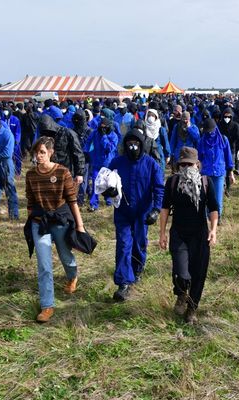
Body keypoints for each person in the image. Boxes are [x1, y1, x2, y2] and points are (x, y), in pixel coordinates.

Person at [24, 136, 86, 323]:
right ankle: (47, 305)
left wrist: (80, 225)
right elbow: (30, 200)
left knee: (65, 254)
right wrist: (31, 220)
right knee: (44, 265)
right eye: (37, 152)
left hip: (59, 219)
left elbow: (72, 200)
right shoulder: (31, 175)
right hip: (39, 222)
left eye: (42, 152)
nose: (39, 156)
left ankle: (72, 276)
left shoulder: (62, 172)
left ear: (51, 153)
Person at [159, 147, 218, 325]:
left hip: (200, 235)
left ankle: (192, 308)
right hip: (179, 233)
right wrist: (162, 233)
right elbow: (165, 208)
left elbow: (214, 208)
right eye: (182, 164)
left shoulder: (206, 183)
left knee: (198, 274)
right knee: (181, 273)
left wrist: (213, 230)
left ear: (197, 165)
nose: (186, 168)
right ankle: (181, 293)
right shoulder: (172, 183)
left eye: (189, 164)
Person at [108, 129, 164, 301]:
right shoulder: (117, 163)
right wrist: (108, 192)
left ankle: (137, 268)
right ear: (125, 145)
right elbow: (106, 182)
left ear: (141, 145)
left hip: (143, 213)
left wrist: (156, 210)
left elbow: (159, 188)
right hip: (123, 212)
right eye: (129, 144)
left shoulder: (151, 164)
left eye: (136, 144)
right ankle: (123, 283)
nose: (133, 147)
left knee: (139, 243)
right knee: (124, 245)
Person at [197, 119, 235, 221]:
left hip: (219, 173)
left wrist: (231, 172)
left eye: (211, 130)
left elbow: (228, 157)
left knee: (217, 199)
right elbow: (199, 158)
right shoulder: (202, 141)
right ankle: (205, 217)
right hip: (205, 173)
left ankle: (217, 218)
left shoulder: (223, 139)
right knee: (204, 198)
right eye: (207, 131)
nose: (209, 133)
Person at [38, 114, 85, 185]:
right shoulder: (45, 137)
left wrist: (79, 173)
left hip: (67, 170)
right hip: (51, 171)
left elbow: (78, 153)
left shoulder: (68, 133)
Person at [83, 118, 118, 211]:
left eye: (104, 128)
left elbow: (109, 148)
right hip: (96, 162)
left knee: (108, 183)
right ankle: (94, 204)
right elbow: (88, 142)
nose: (102, 130)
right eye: (101, 127)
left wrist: (104, 137)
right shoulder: (95, 133)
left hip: (108, 164)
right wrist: (86, 151)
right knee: (95, 182)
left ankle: (108, 199)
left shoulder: (113, 136)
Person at [218, 108, 239, 196]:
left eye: (229, 116)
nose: (227, 118)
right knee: (221, 168)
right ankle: (222, 185)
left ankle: (227, 188)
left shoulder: (236, 125)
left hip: (231, 149)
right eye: (225, 116)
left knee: (229, 169)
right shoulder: (219, 125)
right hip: (220, 149)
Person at [144, 109, 171, 179]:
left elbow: (165, 143)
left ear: (156, 117)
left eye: (152, 115)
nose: (150, 117)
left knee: (159, 175)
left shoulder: (160, 129)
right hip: (147, 154)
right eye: (149, 115)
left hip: (158, 155)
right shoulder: (144, 128)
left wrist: (167, 155)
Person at [2, 108, 23, 176]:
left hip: (14, 142)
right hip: (4, 141)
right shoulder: (2, 119)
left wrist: (17, 140)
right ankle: (6, 171)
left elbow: (18, 131)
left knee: (17, 156)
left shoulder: (15, 120)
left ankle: (18, 172)